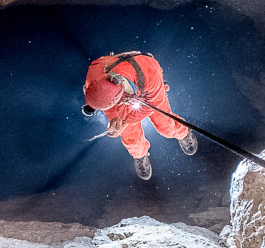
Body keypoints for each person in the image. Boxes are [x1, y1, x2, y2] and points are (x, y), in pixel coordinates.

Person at [82, 51, 196, 180]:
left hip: (149, 92)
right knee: (130, 135)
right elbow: (107, 106)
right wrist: (115, 118)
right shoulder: (94, 78)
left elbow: (150, 108)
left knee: (165, 124)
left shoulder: (149, 74)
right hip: (117, 94)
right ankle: (140, 155)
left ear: (121, 95)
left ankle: (183, 132)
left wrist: (125, 121)